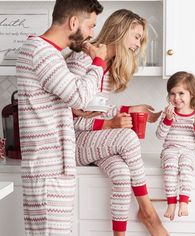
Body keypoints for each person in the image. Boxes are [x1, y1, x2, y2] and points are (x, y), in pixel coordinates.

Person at [66, 9, 169, 236]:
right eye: (136, 37)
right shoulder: (84, 59)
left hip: (91, 143)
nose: (137, 44)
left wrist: (130, 110)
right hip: (72, 146)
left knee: (122, 174)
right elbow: (69, 117)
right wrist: (110, 125)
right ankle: (148, 211)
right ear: (120, 32)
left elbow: (94, 111)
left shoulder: (107, 65)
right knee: (128, 136)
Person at [16, 0, 107, 235]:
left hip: (52, 169)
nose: (91, 34)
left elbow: (69, 98)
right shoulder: (42, 53)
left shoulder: (46, 52)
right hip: (48, 172)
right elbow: (79, 96)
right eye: (91, 26)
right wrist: (98, 62)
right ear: (73, 22)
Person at [156, 71, 195, 221]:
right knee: (171, 167)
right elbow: (160, 135)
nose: (176, 98)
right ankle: (171, 203)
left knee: (185, 167)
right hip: (170, 150)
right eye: (172, 94)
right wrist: (168, 120)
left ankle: (183, 202)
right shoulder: (168, 114)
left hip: (189, 151)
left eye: (181, 93)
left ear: (192, 94)